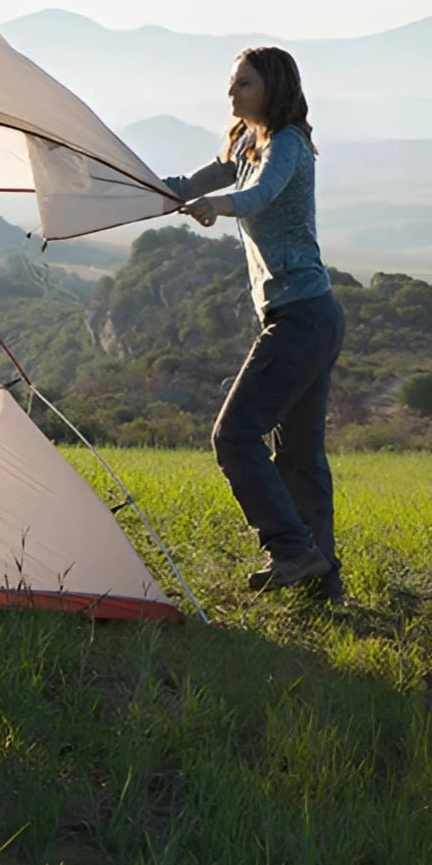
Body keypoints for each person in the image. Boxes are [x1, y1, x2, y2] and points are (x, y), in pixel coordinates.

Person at [164, 46, 345, 598]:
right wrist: (123, 187)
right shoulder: (245, 142)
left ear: (272, 88)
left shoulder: (287, 144)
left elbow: (260, 194)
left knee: (234, 435)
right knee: (298, 456)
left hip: (303, 318)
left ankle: (290, 549)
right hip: (306, 316)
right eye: (232, 83)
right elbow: (187, 185)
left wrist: (219, 208)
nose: (232, 93)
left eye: (244, 83)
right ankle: (321, 584)